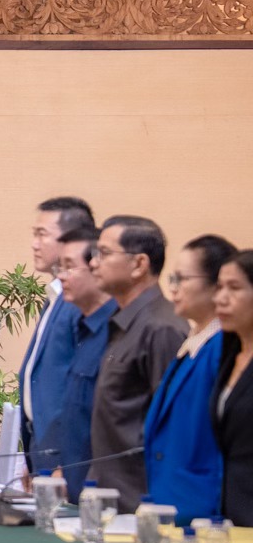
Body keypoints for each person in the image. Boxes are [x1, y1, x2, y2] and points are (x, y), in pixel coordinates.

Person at [89, 215, 189, 511]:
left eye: (104, 253)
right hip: (111, 496)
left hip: (141, 502)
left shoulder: (162, 328)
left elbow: (173, 428)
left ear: (139, 264)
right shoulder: (124, 322)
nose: (93, 263)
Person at [141, 235, 234, 522]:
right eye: (172, 278)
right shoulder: (193, 343)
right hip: (170, 501)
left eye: (182, 279)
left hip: (202, 508)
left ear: (216, 285)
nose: (173, 288)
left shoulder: (222, 348)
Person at [16, 197, 93, 466]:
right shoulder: (56, 295)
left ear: (71, 240)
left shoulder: (79, 302)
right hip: (41, 443)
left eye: (42, 234)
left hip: (64, 451)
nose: (34, 244)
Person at [43, 227, 117, 501]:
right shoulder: (83, 327)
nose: (61, 276)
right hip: (74, 482)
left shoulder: (117, 330)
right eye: (59, 267)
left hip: (105, 489)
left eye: (69, 267)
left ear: (96, 268)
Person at [210, 250, 253, 524]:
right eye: (219, 287)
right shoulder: (229, 353)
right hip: (229, 511)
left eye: (234, 288)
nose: (220, 298)